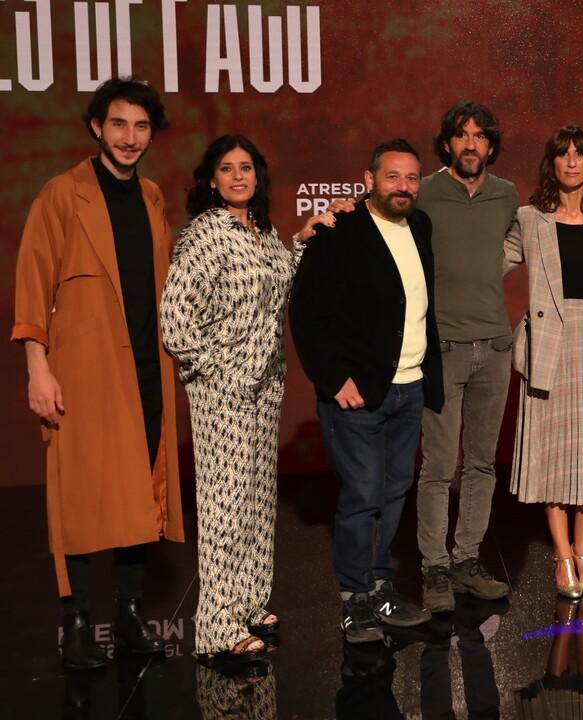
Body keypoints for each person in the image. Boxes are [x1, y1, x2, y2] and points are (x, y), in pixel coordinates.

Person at [12, 76, 182, 669]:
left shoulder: (153, 196)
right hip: (82, 369)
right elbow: (33, 284)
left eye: (141, 126)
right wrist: (38, 369)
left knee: (139, 490)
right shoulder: (62, 194)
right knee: (79, 496)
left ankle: (129, 617)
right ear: (96, 127)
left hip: (146, 365)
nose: (130, 137)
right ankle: (78, 623)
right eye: (118, 124)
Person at [160, 134, 338, 666]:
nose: (238, 176)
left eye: (246, 167)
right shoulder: (205, 235)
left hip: (264, 390)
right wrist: (218, 372)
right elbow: (174, 321)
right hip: (223, 396)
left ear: (257, 176)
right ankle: (217, 629)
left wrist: (301, 241)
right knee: (225, 509)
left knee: (256, 503)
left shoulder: (261, 232)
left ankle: (246, 603)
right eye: (227, 168)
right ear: (212, 180)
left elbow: (280, 284)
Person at [290, 139, 442, 642]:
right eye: (392, 176)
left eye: (412, 178)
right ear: (369, 179)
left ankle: (379, 586)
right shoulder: (339, 231)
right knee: (362, 494)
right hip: (357, 393)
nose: (403, 187)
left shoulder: (419, 226)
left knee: (394, 491)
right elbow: (307, 314)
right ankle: (354, 598)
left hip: (409, 387)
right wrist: (334, 378)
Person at [505, 126, 583, 598]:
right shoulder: (529, 219)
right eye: (563, 154)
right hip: (549, 346)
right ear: (552, 163)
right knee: (554, 458)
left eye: (580, 153)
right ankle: (561, 556)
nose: (572, 162)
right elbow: (486, 263)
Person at [414, 102, 518, 612]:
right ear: (447, 144)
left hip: (496, 347)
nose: (470, 144)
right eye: (461, 135)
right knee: (438, 466)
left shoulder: (507, 195)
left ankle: (466, 560)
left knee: (480, 463)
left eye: (479, 136)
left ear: (491, 146)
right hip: (444, 347)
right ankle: (434, 568)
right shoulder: (424, 192)